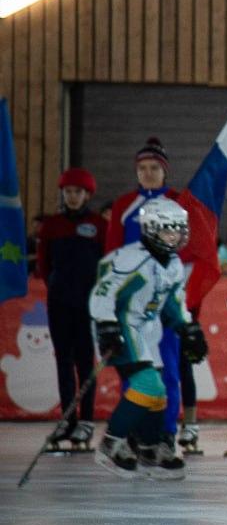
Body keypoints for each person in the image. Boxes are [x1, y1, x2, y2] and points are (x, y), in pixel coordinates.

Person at [89, 198, 208, 479]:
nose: (175, 236)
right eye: (168, 230)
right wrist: (106, 326)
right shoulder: (133, 259)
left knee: (158, 393)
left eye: (179, 230)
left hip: (146, 330)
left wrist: (188, 329)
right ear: (151, 229)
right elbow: (102, 293)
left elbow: (173, 304)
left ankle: (150, 447)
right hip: (121, 327)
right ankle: (110, 443)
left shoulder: (174, 263)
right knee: (148, 384)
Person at [103, 137, 194, 453]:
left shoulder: (179, 202)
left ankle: (165, 432)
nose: (148, 173)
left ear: (164, 170)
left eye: (154, 167)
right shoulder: (124, 205)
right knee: (134, 370)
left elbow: (192, 250)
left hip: (164, 302)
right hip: (132, 307)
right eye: (142, 168)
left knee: (168, 369)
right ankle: (134, 431)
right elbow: (113, 254)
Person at [35, 167, 106, 448]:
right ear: (63, 194)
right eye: (68, 192)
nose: (73, 197)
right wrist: (55, 285)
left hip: (89, 305)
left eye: (78, 192)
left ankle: (87, 420)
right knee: (63, 360)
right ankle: (67, 418)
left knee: (85, 361)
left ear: (87, 194)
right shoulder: (51, 226)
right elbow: (43, 264)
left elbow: (107, 264)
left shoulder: (100, 225)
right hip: (60, 302)